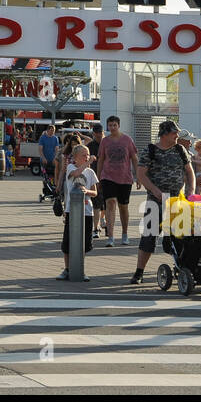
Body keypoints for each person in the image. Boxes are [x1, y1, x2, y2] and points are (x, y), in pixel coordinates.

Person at [130, 121, 194, 285]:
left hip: (177, 200)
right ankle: (139, 272)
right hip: (156, 201)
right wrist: (155, 190)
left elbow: (189, 171)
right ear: (164, 134)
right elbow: (141, 174)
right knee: (149, 237)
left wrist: (191, 191)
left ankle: (182, 269)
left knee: (181, 236)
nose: (177, 136)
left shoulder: (180, 150)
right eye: (174, 133)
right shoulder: (150, 150)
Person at [56, 143, 98, 281]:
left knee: (84, 243)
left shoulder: (90, 172)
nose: (87, 157)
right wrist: (89, 162)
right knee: (68, 242)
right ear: (75, 157)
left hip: (86, 211)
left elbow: (95, 192)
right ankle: (67, 269)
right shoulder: (70, 167)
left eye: (88, 154)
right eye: (83, 155)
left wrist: (87, 191)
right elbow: (75, 174)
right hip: (71, 210)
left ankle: (79, 268)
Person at [97, 116, 138, 246]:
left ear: (118, 125)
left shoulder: (127, 140)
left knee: (123, 207)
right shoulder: (105, 141)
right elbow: (101, 159)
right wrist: (97, 178)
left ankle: (125, 234)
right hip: (108, 176)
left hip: (125, 177)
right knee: (110, 203)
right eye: (110, 125)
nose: (112, 127)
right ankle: (111, 236)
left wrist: (138, 176)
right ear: (107, 126)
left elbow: (134, 158)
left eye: (114, 125)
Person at [40, 125, 61, 200]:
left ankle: (54, 190)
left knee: (54, 175)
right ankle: (46, 190)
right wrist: (43, 158)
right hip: (45, 160)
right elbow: (40, 149)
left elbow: (57, 149)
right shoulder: (43, 138)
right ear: (48, 130)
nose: (53, 132)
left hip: (53, 160)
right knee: (45, 176)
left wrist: (56, 158)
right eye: (51, 130)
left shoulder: (55, 138)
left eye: (54, 130)